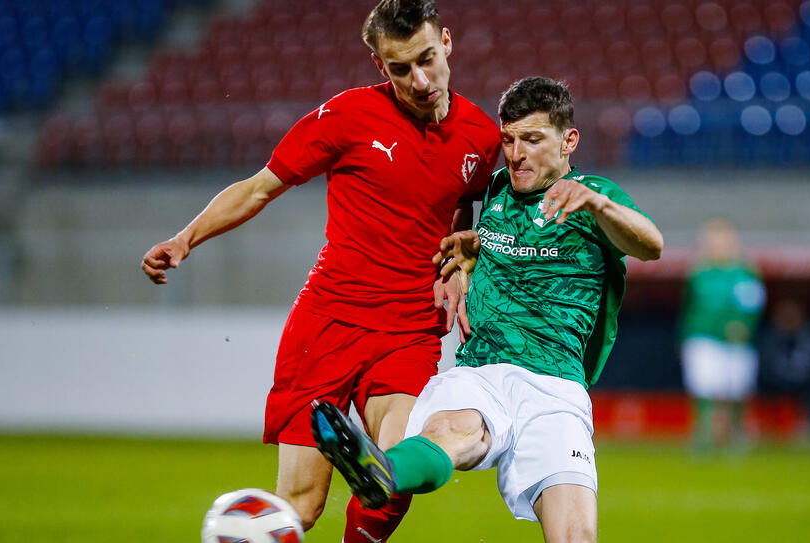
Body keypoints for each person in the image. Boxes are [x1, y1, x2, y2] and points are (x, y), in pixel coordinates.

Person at [139, 1, 501, 540]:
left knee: (392, 477)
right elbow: (260, 186)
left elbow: (466, 210)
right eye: (400, 68)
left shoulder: (481, 137)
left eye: (427, 58)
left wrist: (466, 252)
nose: (420, 79)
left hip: (408, 328)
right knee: (301, 508)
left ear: (447, 42)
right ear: (381, 66)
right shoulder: (348, 116)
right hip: (328, 323)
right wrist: (185, 238)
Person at [311, 77, 663, 542]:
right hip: (482, 370)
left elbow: (650, 245)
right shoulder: (498, 187)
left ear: (568, 140)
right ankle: (383, 472)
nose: (516, 154)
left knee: (576, 534)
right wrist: (469, 246)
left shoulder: (593, 195)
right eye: (509, 139)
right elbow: (494, 236)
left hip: (553, 384)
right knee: (455, 431)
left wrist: (598, 205)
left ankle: (387, 471)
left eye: (533, 140)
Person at [678, 218, 766, 452]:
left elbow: (754, 305)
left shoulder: (745, 272)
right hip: (703, 337)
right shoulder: (699, 272)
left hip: (736, 342)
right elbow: (689, 308)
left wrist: (743, 326)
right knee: (704, 387)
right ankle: (704, 434)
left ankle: (736, 432)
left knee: (737, 388)